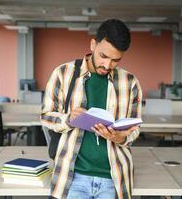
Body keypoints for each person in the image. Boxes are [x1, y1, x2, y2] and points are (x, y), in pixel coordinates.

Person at [41, 19, 142, 199]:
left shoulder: (130, 82)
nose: (107, 65)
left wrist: (121, 137)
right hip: (72, 177)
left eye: (115, 60)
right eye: (103, 56)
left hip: (114, 178)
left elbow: (134, 129)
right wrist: (69, 119)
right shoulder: (63, 73)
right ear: (93, 44)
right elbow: (46, 117)